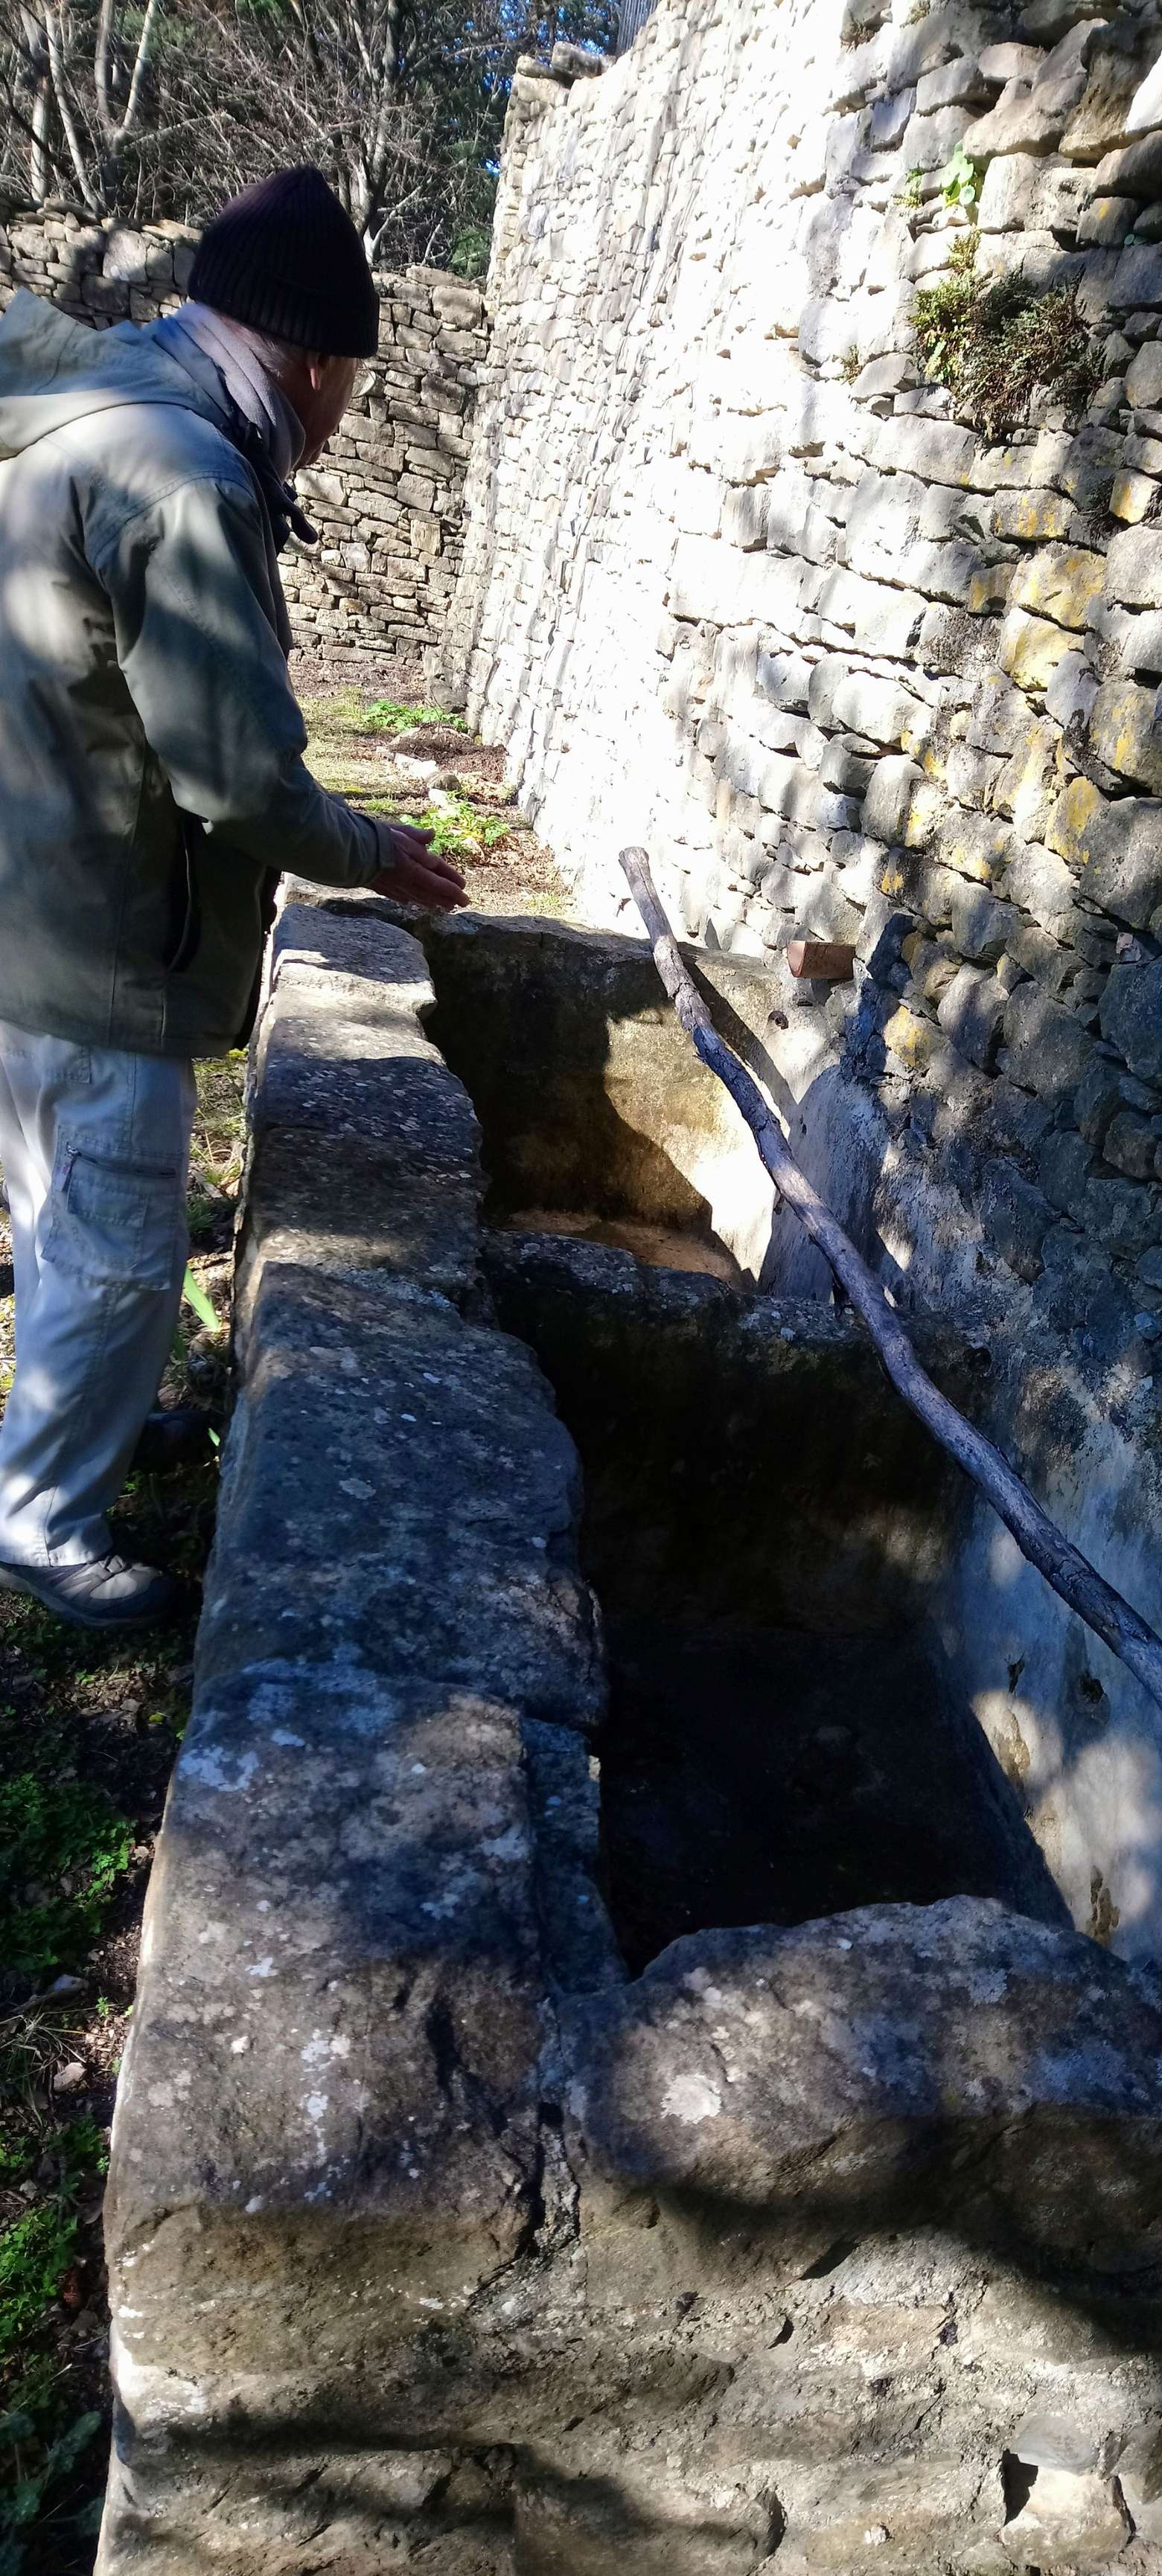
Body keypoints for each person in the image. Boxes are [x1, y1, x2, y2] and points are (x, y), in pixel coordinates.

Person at [0, 165, 466, 1632]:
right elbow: (235, 776)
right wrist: (373, 851)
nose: (344, 418)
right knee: (117, 1252)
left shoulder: (78, 403)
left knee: (52, 1209)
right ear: (316, 363)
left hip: (27, 883)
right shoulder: (185, 477)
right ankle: (41, 1528)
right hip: (101, 933)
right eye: (352, 386)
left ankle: (71, 1421)